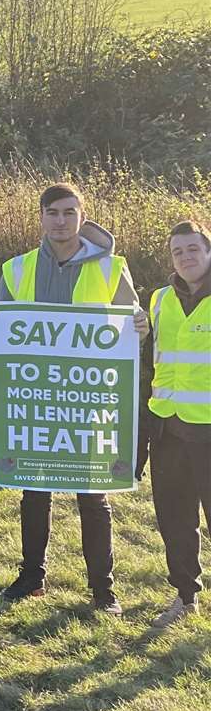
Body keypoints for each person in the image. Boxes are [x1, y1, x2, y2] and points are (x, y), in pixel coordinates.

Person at [0, 183, 147, 613]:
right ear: (41, 217)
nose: (60, 221)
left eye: (69, 213)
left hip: (88, 404)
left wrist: (141, 326)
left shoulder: (112, 269)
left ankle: (102, 589)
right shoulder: (16, 269)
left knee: (94, 498)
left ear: (82, 216)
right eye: (52, 212)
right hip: (37, 404)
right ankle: (32, 577)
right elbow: (5, 335)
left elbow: (131, 326)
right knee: (34, 492)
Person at [144, 220, 211, 628]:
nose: (185, 257)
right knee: (175, 519)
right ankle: (186, 597)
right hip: (167, 429)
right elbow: (147, 357)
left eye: (193, 249)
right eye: (177, 251)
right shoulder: (158, 300)